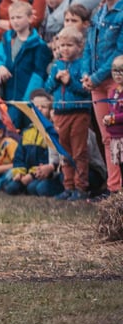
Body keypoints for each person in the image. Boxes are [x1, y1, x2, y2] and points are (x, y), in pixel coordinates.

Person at [82, 0, 123, 196]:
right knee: (107, 137)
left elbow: (120, 51)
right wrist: (87, 75)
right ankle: (114, 187)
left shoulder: (122, 14)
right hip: (97, 83)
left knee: (120, 135)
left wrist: (96, 76)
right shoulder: (98, 13)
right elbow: (89, 46)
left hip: (116, 81)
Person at [45, 26, 92, 200]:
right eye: (62, 45)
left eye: (69, 45)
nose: (65, 49)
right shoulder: (57, 65)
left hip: (79, 113)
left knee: (79, 151)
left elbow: (85, 90)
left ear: (79, 46)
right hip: (60, 113)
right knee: (64, 151)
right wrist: (56, 79)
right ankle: (68, 186)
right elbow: (47, 87)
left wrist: (69, 81)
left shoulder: (82, 65)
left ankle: (81, 187)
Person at [0, 1, 52, 129]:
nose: (15, 21)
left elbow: (38, 75)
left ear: (30, 18)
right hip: (8, 95)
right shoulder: (7, 38)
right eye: (12, 18)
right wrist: (0, 67)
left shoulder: (39, 45)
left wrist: (25, 101)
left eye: (19, 17)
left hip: (26, 99)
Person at [4, 89, 64, 197]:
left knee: (34, 188)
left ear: (51, 111)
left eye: (43, 107)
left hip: (42, 174)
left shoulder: (50, 133)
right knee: (10, 188)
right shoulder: (27, 132)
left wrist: (32, 175)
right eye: (36, 107)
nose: (39, 109)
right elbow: (19, 155)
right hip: (26, 173)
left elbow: (48, 159)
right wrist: (20, 172)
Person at [105, 55, 123, 179]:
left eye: (121, 70)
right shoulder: (113, 92)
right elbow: (113, 110)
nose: (118, 74)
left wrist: (112, 119)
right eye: (114, 70)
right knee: (120, 166)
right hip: (116, 135)